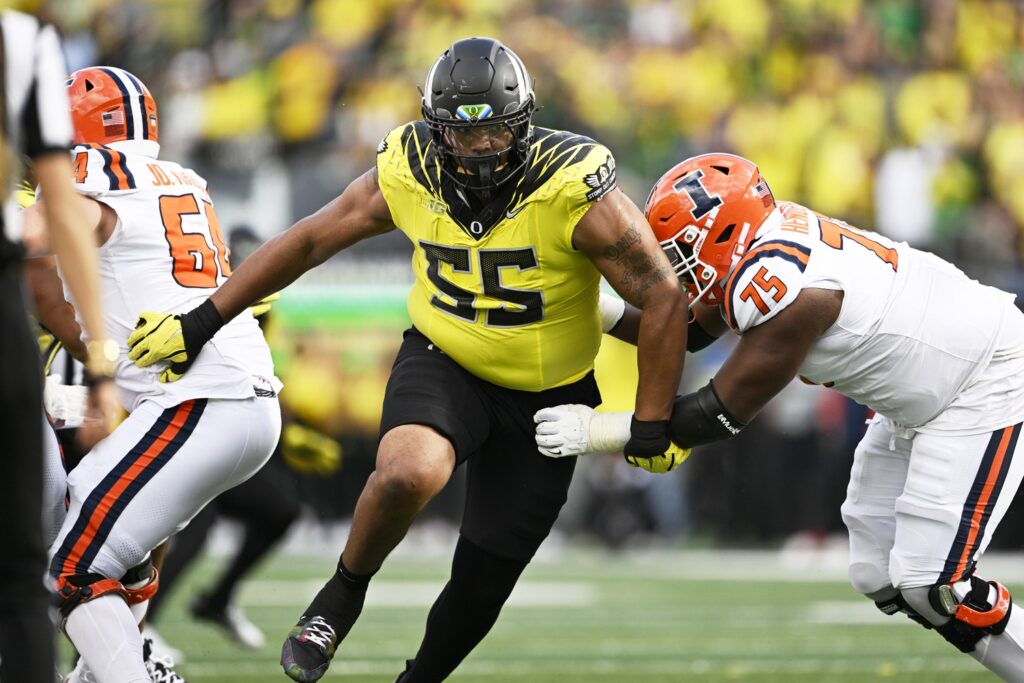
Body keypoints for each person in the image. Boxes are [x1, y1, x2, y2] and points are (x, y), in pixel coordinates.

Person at [125, 36, 687, 683]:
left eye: (495, 134)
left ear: (524, 124)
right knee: (408, 471)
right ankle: (339, 597)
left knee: (483, 580)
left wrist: (652, 415)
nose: (478, 151)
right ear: (434, 129)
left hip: (550, 395)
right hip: (446, 356)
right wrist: (201, 321)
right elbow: (311, 239)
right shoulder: (409, 167)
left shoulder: (572, 185)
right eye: (461, 135)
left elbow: (665, 300)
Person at [535, 152, 1024, 681]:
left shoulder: (788, 289)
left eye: (679, 252)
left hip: (983, 381)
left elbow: (715, 414)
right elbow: (686, 330)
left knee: (935, 583)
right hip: (919, 398)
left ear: (723, 236)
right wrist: (590, 308)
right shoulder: (762, 244)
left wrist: (597, 431)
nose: (670, 268)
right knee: (878, 572)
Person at [25, 65, 282, 683]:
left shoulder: (95, 174)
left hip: (198, 403)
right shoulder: (184, 178)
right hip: (231, 400)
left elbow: (50, 238)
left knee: (71, 567)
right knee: (110, 550)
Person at [0, 11, 116, 683]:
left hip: (44, 383)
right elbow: (52, 261)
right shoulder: (21, 43)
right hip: (25, 362)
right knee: (24, 568)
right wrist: (103, 362)